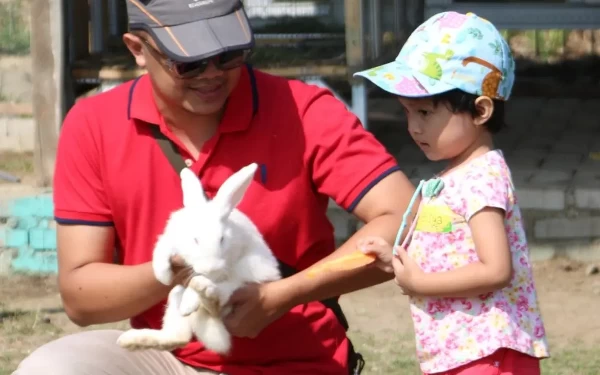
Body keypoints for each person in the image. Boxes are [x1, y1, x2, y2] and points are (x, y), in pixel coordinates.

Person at [12, 1, 417, 375]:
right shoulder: (94, 123)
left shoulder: (305, 110)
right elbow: (81, 297)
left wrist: (284, 295)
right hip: (168, 359)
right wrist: (177, 270)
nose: (211, 73)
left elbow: (404, 219)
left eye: (228, 54)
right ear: (137, 49)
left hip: (297, 361)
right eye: (188, 61)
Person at [353, 11, 550, 375]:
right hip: (465, 351)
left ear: (480, 110)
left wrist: (421, 284)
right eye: (407, 112)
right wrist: (398, 259)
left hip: (488, 352)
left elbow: (495, 269)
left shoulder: (482, 178)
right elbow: (452, 245)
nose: (413, 127)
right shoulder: (456, 177)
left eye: (424, 112)